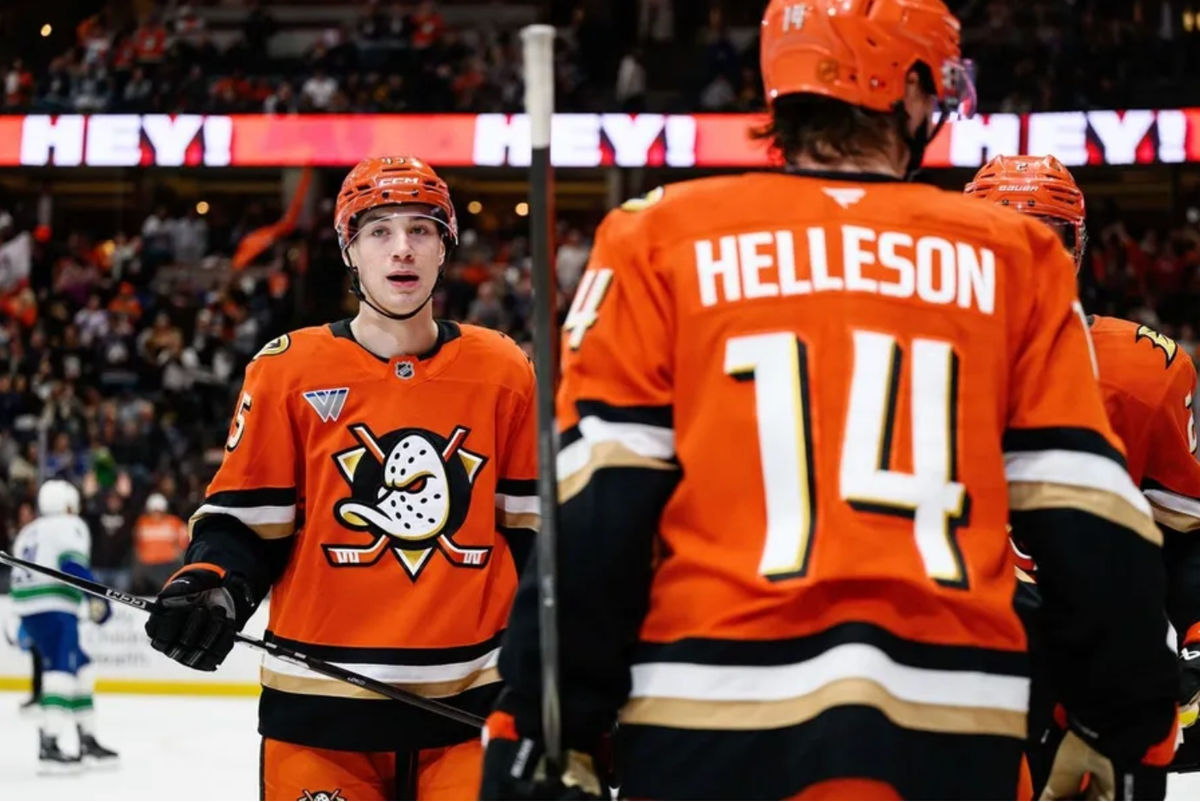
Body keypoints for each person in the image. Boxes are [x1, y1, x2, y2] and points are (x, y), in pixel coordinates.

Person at [480, 1, 1178, 799]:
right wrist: (1123, 723)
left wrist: (546, 717)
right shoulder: (1013, 255)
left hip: (707, 706)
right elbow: (1088, 524)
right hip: (948, 716)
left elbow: (601, 510)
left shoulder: (660, 236)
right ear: (903, 87)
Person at [143, 155, 538, 800]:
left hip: (471, 711)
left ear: (445, 247)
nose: (402, 248)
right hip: (319, 713)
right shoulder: (286, 370)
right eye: (379, 231)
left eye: (421, 229)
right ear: (349, 250)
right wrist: (211, 584)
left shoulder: (502, 369)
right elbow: (246, 524)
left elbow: (534, 536)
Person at [965, 153, 1200, 794]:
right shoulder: (910, 358)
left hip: (1092, 678)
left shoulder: (1142, 374)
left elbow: (1189, 532)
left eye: (1044, 237)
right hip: (966, 671)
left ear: (1079, 247)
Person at [10, 479, 118, 773]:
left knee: (81, 668)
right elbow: (72, 565)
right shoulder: (69, 525)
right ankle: (50, 743)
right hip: (54, 606)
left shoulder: (29, 530)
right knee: (62, 670)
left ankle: (87, 740)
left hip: (30, 608)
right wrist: (97, 597)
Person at [131, 492, 187, 594]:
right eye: (154, 511)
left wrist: (179, 551)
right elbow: (137, 543)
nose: (156, 514)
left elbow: (184, 539)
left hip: (168, 564)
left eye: (159, 511)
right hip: (147, 565)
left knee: (166, 590)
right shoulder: (142, 522)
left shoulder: (173, 522)